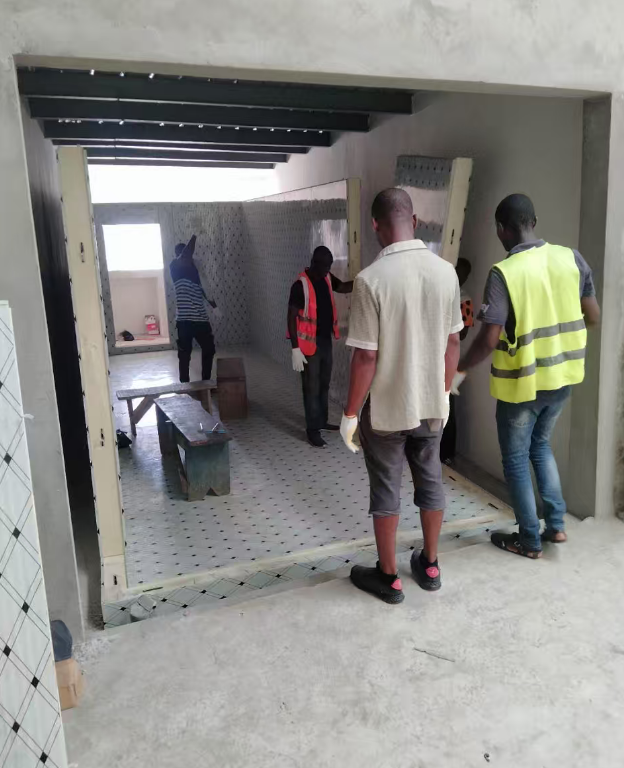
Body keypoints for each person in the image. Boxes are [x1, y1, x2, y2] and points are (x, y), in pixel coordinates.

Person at [454, 193, 600, 558]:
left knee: (517, 459)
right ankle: (557, 525)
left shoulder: (504, 273)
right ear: (533, 222)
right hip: (563, 379)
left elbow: (488, 338)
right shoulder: (571, 258)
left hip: (522, 384)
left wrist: (460, 368)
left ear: (501, 229)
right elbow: (593, 316)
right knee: (540, 446)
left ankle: (530, 539)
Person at [340, 188, 464, 604]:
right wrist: (442, 392)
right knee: (430, 479)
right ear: (414, 221)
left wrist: (350, 413)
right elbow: (452, 344)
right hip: (431, 406)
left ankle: (389, 577)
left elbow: (366, 357)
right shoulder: (446, 273)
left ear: (375, 225)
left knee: (385, 488)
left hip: (387, 411)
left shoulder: (371, 280)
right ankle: (430, 564)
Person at [287, 246, 353, 447]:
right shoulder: (300, 285)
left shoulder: (326, 277)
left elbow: (343, 287)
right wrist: (295, 348)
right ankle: (312, 429)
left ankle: (322, 421)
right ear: (314, 263)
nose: (327, 271)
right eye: (324, 267)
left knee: (324, 383)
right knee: (311, 386)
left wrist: (364, 280)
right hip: (308, 345)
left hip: (325, 341)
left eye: (329, 267)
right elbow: (291, 317)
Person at [170, 234, 218, 383]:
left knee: (209, 349)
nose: (184, 256)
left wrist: (216, 308)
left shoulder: (196, 270)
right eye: (181, 254)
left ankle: (206, 382)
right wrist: (196, 234)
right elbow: (185, 255)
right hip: (184, 320)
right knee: (184, 354)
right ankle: (184, 385)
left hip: (201, 319)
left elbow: (205, 291)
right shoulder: (175, 267)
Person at [440, 257, 473, 463]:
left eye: (462, 274)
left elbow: (462, 334)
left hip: (448, 358)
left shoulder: (464, 299)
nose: (458, 276)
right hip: (435, 355)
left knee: (447, 405)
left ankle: (446, 453)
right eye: (456, 271)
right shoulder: (441, 291)